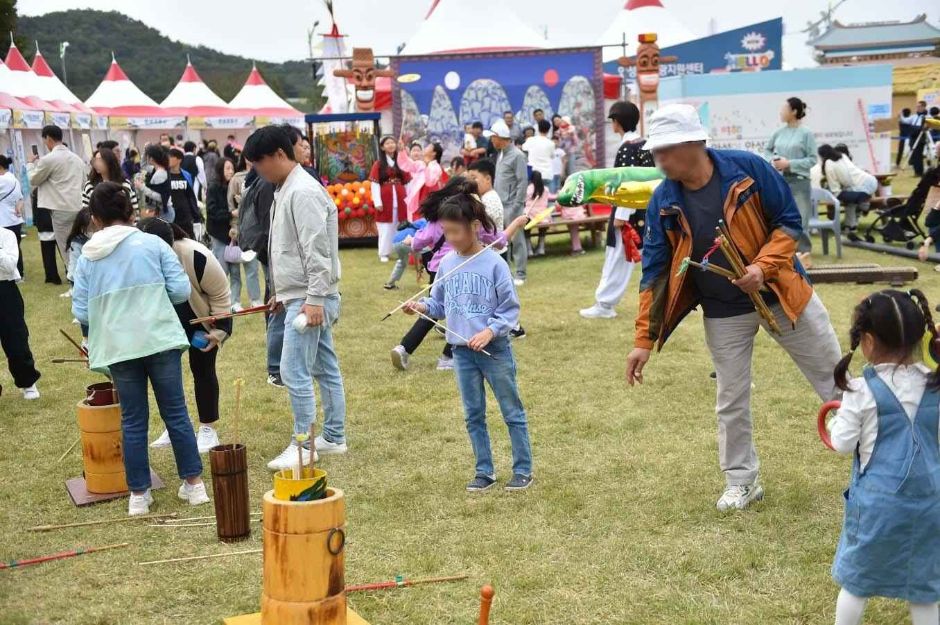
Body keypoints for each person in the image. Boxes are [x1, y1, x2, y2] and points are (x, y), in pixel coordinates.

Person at [626, 104, 843, 511]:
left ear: (694, 143)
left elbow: (789, 224)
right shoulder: (663, 201)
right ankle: (742, 481)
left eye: (665, 150)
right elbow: (653, 273)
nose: (658, 159)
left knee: (836, 380)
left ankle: (876, 460)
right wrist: (643, 338)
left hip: (782, 292)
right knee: (731, 398)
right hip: (722, 310)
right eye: (655, 151)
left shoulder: (749, 170)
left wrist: (762, 268)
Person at [71, 181, 209, 516]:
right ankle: (194, 486)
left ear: (95, 217)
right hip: (159, 337)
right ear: (131, 212)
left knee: (133, 420)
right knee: (175, 411)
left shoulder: (88, 257)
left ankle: (138, 495)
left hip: (120, 346)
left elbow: (82, 311)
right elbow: (179, 291)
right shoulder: (151, 244)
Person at [403, 192, 533, 492]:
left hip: (494, 350)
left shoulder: (494, 263)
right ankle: (484, 471)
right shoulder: (447, 264)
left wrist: (490, 331)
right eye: (445, 231)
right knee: (473, 414)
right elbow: (438, 306)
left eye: (454, 231)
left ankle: (523, 469)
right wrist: (420, 308)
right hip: (462, 353)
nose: (449, 238)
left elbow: (510, 309)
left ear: (475, 226)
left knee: (511, 410)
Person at [827, 289, 940, 625]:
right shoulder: (934, 383)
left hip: (878, 507)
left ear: (869, 341)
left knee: (856, 582)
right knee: (924, 588)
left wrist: (834, 424)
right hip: (930, 504)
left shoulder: (860, 390)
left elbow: (843, 443)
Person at [242, 126, 348, 470]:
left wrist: (314, 299)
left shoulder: (302, 191)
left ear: (278, 155)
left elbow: (316, 251)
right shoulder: (284, 188)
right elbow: (286, 251)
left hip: (311, 297)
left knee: (292, 369)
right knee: (324, 367)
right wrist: (281, 294)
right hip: (299, 295)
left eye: (259, 164)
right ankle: (333, 436)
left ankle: (303, 444)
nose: (257, 171)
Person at [390, 177, 525, 372]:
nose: (450, 236)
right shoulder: (452, 227)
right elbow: (500, 241)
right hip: (445, 270)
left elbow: (419, 242)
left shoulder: (452, 223)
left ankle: (408, 348)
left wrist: (412, 240)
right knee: (456, 308)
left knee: (451, 310)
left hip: (443, 268)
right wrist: (516, 224)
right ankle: (447, 355)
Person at [139, 218, 230, 454]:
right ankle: (177, 425)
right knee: (165, 375)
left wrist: (219, 329)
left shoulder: (196, 255)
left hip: (199, 317)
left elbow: (220, 293)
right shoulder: (139, 258)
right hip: (165, 320)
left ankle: (208, 429)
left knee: (202, 369)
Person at [580, 102, 654, 320]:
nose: (612, 124)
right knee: (623, 258)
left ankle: (605, 303)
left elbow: (627, 184)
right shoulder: (643, 144)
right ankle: (605, 302)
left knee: (617, 258)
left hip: (627, 214)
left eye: (613, 120)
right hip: (640, 211)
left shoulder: (628, 147)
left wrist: (621, 216)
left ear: (618, 122)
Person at [27, 125, 85, 271]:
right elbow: (83, 182)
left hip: (60, 209)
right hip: (78, 207)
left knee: (66, 249)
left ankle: (74, 282)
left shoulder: (49, 159)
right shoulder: (77, 158)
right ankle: (82, 277)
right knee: (80, 244)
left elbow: (33, 179)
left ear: (48, 138)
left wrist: (29, 164)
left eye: (45, 140)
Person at [765, 97, 817, 261]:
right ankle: (784, 254)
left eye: (784, 109)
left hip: (800, 181)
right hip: (780, 181)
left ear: (794, 112)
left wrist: (789, 163)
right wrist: (773, 160)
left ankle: (804, 254)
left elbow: (812, 159)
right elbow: (767, 151)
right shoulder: (778, 133)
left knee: (801, 219)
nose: (781, 112)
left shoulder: (806, 133)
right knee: (780, 219)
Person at [0, 226, 40, 400]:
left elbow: (9, 266)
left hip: (5, 290)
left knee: (16, 338)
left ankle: (27, 382)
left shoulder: (7, 235)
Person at [491, 119, 529, 288]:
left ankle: (520, 273)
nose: (492, 140)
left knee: (517, 239)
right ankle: (505, 271)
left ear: (501, 137)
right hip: (499, 204)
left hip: (512, 204)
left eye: (493, 137)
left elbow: (522, 181)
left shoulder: (518, 155)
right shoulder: (500, 154)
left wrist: (517, 205)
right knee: (501, 239)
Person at [811, 144, 877, 239]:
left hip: (859, 187)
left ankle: (854, 218)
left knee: (847, 200)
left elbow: (834, 187)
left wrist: (833, 194)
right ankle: (852, 224)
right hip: (871, 181)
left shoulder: (829, 163)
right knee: (850, 201)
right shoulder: (842, 156)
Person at [224, 155, 262, 311]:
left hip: (253, 226)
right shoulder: (236, 178)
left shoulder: (261, 174)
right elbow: (229, 202)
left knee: (252, 267)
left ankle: (255, 299)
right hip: (237, 226)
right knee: (234, 269)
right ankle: (235, 301)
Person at [370, 136, 411, 263]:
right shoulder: (378, 164)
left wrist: (410, 199)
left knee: (400, 225)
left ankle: (400, 251)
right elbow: (375, 184)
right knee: (386, 227)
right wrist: (377, 202)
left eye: (392, 142)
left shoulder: (401, 162)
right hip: (386, 199)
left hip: (400, 198)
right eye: (387, 143)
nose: (391, 145)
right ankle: (384, 253)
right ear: (382, 147)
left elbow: (407, 182)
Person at [397, 141, 446, 220]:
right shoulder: (421, 164)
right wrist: (402, 151)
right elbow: (407, 164)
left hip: (427, 201)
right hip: (417, 200)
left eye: (428, 147)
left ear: (433, 153)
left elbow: (430, 182)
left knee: (424, 224)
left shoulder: (436, 167)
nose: (425, 148)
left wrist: (426, 166)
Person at [82, 149, 138, 214]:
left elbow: (133, 209)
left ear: (110, 162)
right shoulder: (90, 185)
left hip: (121, 222)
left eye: (100, 160)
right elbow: (86, 211)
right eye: (95, 160)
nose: (96, 164)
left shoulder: (124, 184)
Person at [383, 217, 427, 290]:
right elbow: (422, 238)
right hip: (407, 241)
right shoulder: (426, 222)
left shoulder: (417, 222)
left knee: (401, 263)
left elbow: (416, 252)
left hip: (395, 242)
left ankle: (390, 284)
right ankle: (432, 279)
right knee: (429, 251)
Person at [0, 155, 25, 278]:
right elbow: (21, 198)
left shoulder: (4, 180)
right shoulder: (13, 178)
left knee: (6, 249)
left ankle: (15, 274)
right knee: (15, 248)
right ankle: (20, 273)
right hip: (14, 219)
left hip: (5, 221)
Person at [466, 158, 504, 230]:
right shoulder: (485, 197)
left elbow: (478, 229)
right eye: (468, 179)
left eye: (474, 178)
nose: (469, 182)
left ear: (488, 179)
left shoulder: (490, 201)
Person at [522, 119, 555, 184]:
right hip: (547, 174)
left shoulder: (530, 140)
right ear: (548, 130)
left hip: (533, 173)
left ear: (538, 128)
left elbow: (523, 148)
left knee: (531, 193)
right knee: (547, 193)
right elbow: (552, 156)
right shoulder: (551, 143)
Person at [910, 101, 929, 178]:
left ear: (923, 107)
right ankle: (916, 171)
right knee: (914, 155)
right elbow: (907, 121)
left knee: (918, 156)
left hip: (920, 138)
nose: (917, 108)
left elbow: (927, 127)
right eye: (917, 106)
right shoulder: (914, 116)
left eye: (919, 106)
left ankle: (919, 172)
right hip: (913, 137)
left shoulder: (926, 116)